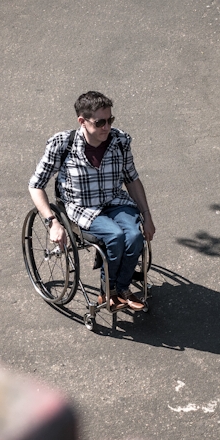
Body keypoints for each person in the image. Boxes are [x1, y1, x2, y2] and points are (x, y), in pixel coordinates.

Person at [29, 91, 156, 311]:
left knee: (135, 236)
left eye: (110, 120)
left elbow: (132, 179)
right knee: (115, 236)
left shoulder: (120, 141)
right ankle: (109, 291)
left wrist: (147, 216)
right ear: (82, 121)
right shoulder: (62, 144)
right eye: (100, 122)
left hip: (115, 201)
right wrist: (52, 222)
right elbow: (36, 185)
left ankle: (122, 288)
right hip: (83, 208)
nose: (106, 127)